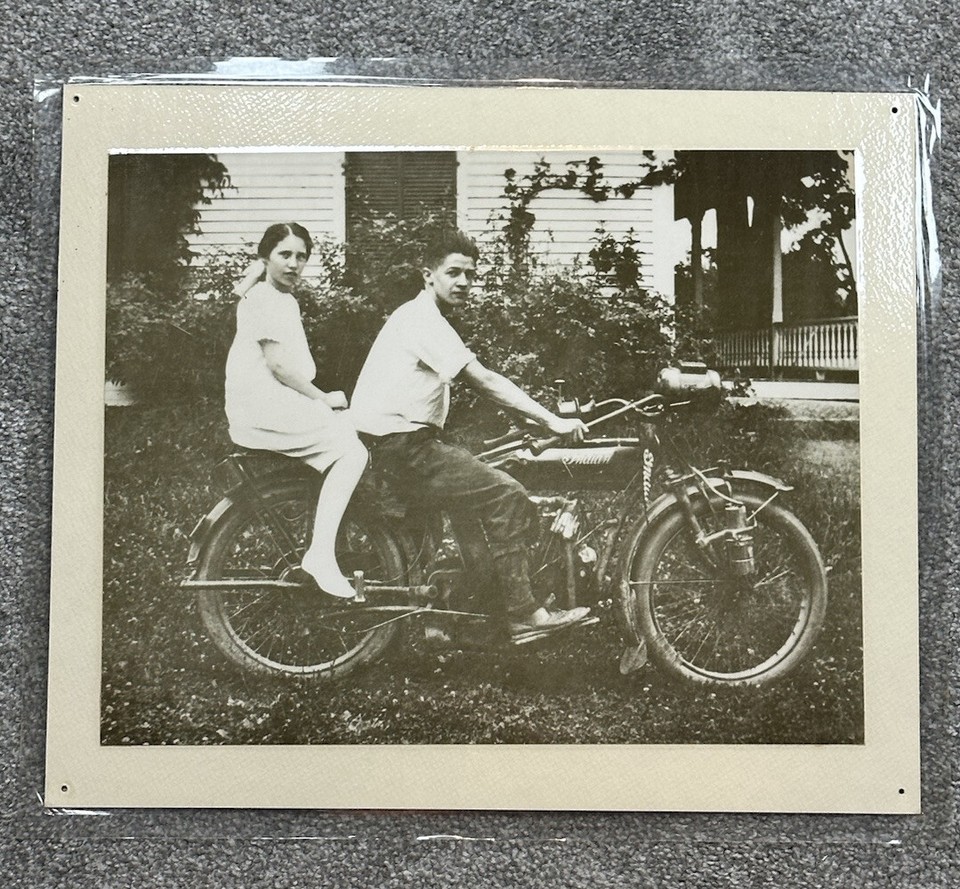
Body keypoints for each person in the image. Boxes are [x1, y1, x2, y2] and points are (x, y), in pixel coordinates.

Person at [350, 229, 592, 640]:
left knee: (474, 496)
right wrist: (550, 421)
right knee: (506, 493)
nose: (464, 282)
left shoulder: (420, 317)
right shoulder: (421, 319)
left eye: (470, 275)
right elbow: (482, 379)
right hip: (402, 446)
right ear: (428, 275)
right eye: (454, 272)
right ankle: (524, 613)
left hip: (397, 442)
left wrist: (528, 421)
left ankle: (459, 614)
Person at [224, 223, 368, 600]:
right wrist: (321, 398)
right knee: (353, 452)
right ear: (266, 257)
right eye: (284, 255)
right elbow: (279, 366)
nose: (294, 264)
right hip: (261, 403)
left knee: (352, 428)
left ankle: (334, 535)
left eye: (301, 256)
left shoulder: (279, 298)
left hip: (273, 399)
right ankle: (320, 555)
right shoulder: (262, 299)